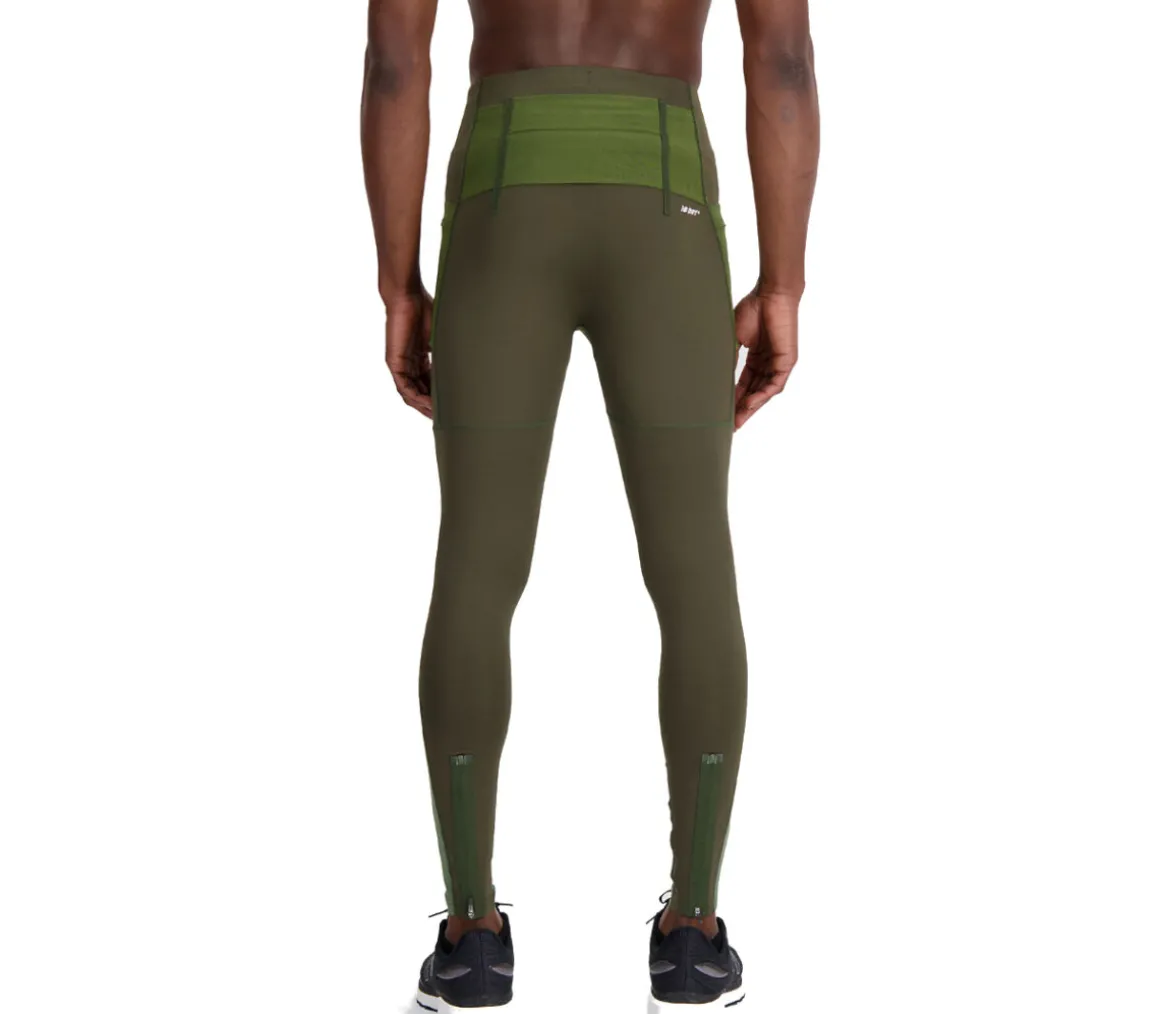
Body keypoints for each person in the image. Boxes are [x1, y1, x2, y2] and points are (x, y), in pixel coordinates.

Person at [361, 0, 818, 1007]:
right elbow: (780, 58)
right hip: (663, 192)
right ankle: (693, 937)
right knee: (694, 570)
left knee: (475, 567)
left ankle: (470, 939)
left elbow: (396, 61)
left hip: (502, 188)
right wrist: (782, 283)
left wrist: (397, 285)